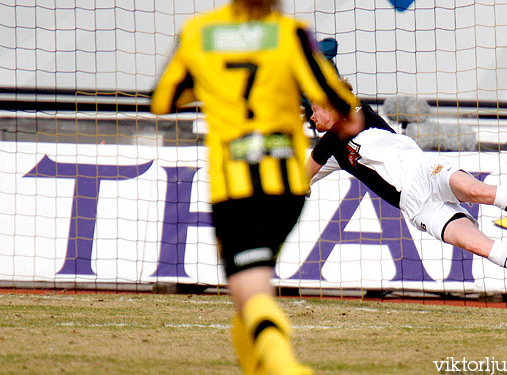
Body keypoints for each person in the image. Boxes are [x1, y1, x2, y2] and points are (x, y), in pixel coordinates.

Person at [151, 1, 359, 374]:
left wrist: (212, 84)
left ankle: (287, 368)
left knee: (251, 291)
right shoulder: (290, 31)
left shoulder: (199, 32)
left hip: (236, 189)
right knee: (251, 290)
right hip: (287, 187)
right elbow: (339, 98)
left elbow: (163, 100)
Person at [306, 96, 507, 290]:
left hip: (425, 169)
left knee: (475, 190)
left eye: (315, 108)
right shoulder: (332, 155)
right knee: (479, 246)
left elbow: (317, 155)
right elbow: (303, 177)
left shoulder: (356, 113)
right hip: (416, 205)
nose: (311, 115)